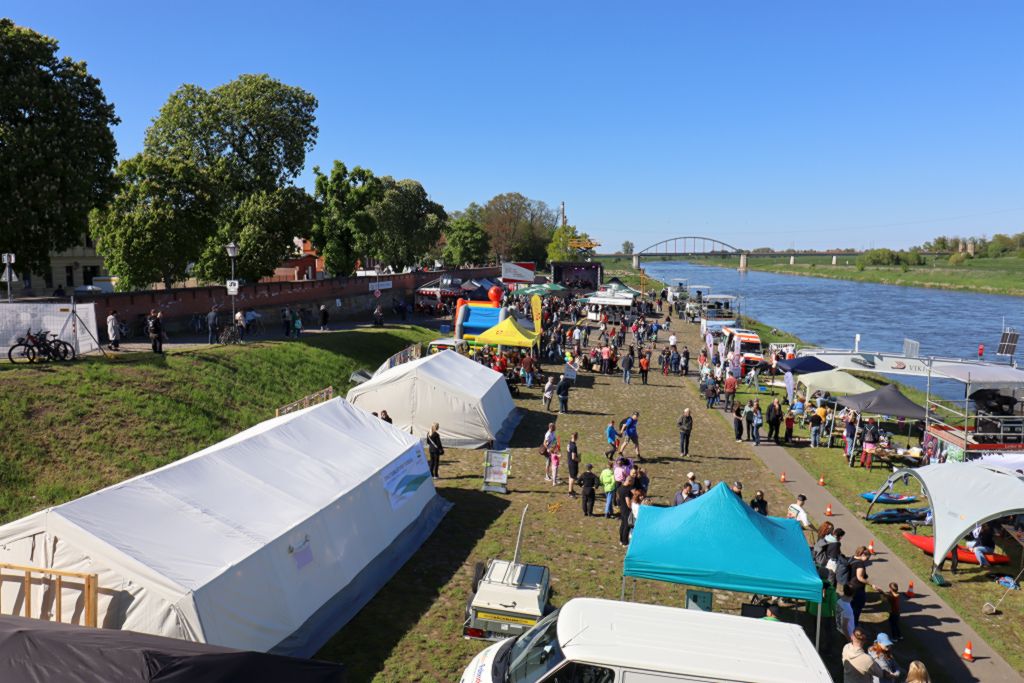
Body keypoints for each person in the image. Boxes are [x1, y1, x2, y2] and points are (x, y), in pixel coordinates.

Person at [849, 546, 882, 626]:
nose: (868, 560)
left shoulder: (851, 558)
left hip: (850, 586)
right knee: (857, 607)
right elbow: (859, 577)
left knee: (851, 606)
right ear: (863, 555)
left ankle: (850, 621)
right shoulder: (860, 564)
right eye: (867, 557)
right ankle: (854, 624)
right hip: (857, 588)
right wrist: (871, 584)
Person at [566, 432, 580, 497]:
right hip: (573, 464)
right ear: (576, 437)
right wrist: (579, 459)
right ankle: (570, 492)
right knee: (572, 478)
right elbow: (573, 457)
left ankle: (571, 489)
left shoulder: (569, 443)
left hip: (569, 462)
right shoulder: (574, 446)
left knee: (570, 476)